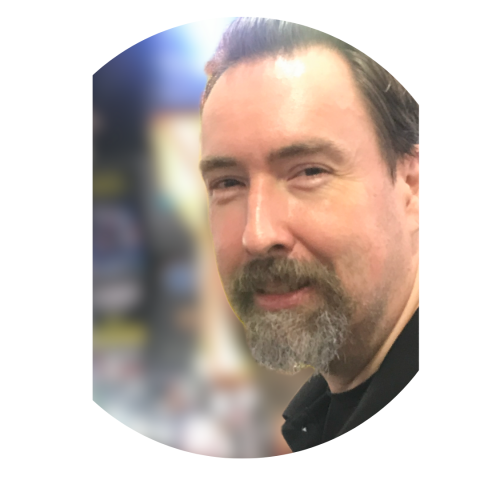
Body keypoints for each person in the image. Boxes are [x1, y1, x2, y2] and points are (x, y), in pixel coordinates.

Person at [199, 17, 419, 452]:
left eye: (309, 172)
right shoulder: (323, 420)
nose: (257, 235)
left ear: (412, 186)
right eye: (228, 182)